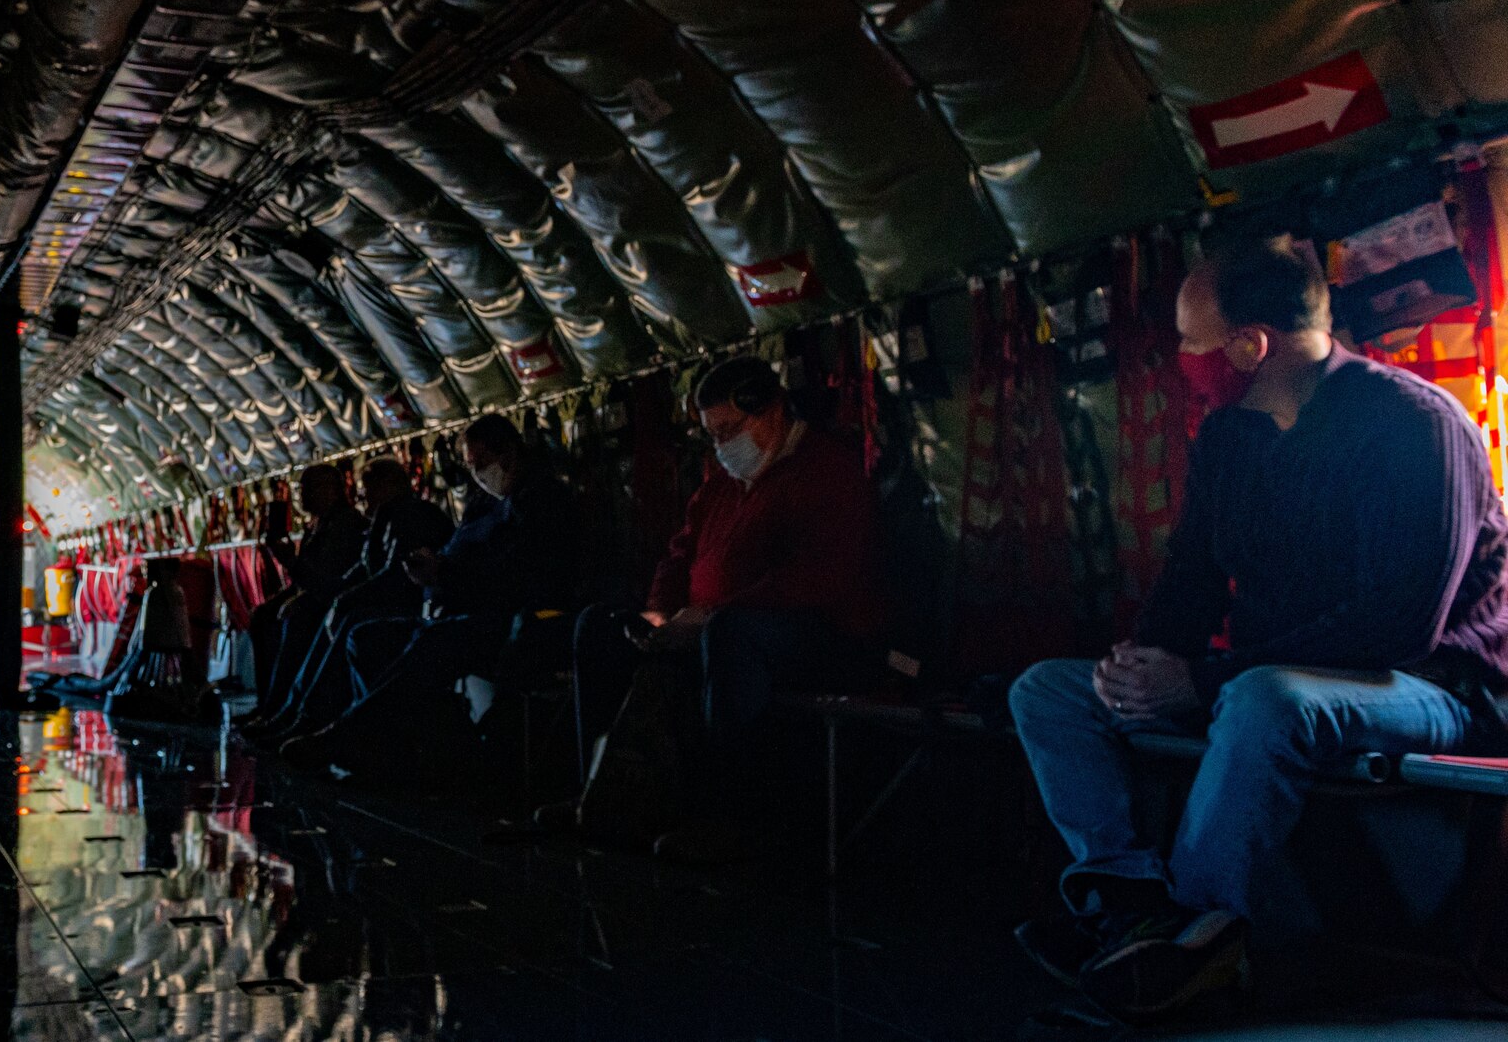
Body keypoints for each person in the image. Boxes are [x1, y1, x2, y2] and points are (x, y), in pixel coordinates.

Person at [1009, 234, 1508, 1018]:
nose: (1180, 355)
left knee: (1265, 698)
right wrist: (1142, 662)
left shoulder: (1416, 425)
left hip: (1434, 686)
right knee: (1050, 692)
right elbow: (1192, 578)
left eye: (1189, 339)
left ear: (1250, 345)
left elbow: (1400, 626)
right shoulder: (1230, 439)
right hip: (1270, 675)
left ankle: (1198, 938)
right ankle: (1134, 902)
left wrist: (1204, 677)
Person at [549, 355, 891, 858]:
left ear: (772, 411)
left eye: (730, 429)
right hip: (715, 625)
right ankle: (604, 793)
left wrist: (710, 617)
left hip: (826, 636)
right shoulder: (721, 486)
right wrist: (659, 613)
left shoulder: (826, 473)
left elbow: (817, 578)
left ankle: (732, 817)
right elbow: (679, 555)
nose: (721, 444)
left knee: (732, 635)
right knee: (600, 628)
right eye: (712, 434)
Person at [278, 416, 578, 772]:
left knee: (430, 643)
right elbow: (454, 550)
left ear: (510, 453)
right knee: (364, 636)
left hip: (512, 619)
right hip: (453, 607)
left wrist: (446, 572)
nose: (478, 474)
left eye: (481, 464)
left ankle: (344, 739)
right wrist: (433, 567)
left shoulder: (543, 501)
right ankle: (381, 749)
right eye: (472, 466)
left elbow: (520, 574)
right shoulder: (484, 504)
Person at [242, 458, 454, 743]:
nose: (361, 496)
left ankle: (307, 717)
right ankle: (291, 711)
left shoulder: (405, 517)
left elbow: (394, 576)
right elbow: (350, 580)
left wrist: (342, 599)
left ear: (389, 486)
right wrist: (336, 595)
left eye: (367, 489)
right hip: (381, 603)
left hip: (407, 608)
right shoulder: (382, 521)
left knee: (335, 619)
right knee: (328, 611)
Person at [243, 465, 368, 722]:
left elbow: (328, 581)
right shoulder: (316, 526)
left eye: (308, 489)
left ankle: (284, 709)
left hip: (332, 600)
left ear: (331, 489)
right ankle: (268, 703)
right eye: (301, 489)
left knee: (296, 617)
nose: (303, 496)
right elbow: (302, 580)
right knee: (263, 616)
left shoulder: (346, 524)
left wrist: (291, 564)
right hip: (312, 593)